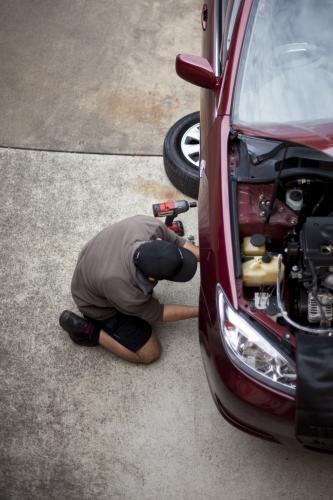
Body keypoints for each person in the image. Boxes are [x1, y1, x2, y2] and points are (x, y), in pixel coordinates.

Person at [59, 215, 199, 364]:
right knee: (150, 353)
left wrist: (211, 257)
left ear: (158, 241)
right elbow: (158, 313)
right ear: (152, 278)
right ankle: (89, 332)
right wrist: (202, 311)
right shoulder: (126, 291)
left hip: (94, 262)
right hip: (94, 303)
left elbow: (178, 242)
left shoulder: (148, 225)